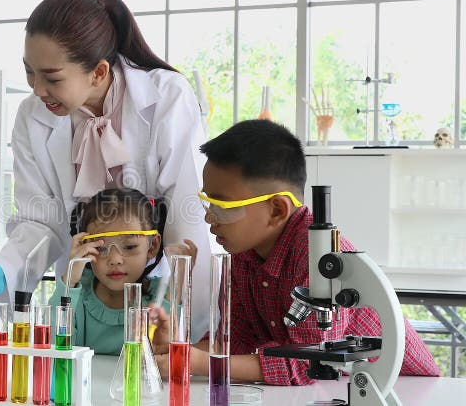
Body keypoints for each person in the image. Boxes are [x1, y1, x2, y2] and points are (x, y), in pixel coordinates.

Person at [0, 0, 215, 342]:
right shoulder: (32, 116)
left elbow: (186, 217)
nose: (38, 90)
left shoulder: (168, 97)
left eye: (52, 77)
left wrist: (185, 325)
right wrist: (3, 270)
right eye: (30, 73)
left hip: (153, 297)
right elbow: (39, 218)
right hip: (84, 299)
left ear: (98, 72)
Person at [151, 119, 440, 385]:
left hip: (405, 387)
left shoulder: (321, 258)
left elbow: (309, 364)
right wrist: (178, 350)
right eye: (207, 203)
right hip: (339, 386)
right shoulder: (243, 255)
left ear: (277, 210)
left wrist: (203, 363)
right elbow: (236, 341)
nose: (209, 218)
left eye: (222, 208)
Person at [47, 188, 168, 355]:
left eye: (130, 246)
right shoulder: (77, 297)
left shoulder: (161, 299)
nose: (115, 259)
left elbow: (166, 355)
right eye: (101, 248)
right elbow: (52, 349)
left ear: (153, 245)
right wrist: (70, 279)